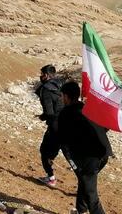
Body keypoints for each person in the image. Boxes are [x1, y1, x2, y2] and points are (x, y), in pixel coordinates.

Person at [58, 81, 112, 214]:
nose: (61, 98)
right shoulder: (88, 108)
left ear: (66, 96)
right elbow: (105, 126)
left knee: (90, 193)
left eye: (61, 96)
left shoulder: (65, 114)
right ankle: (81, 210)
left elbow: (62, 140)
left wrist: (72, 162)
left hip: (90, 158)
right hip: (103, 153)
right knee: (84, 182)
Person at [35, 64, 63, 187]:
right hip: (68, 124)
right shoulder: (60, 85)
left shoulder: (46, 89)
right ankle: (84, 188)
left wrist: (42, 117)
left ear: (46, 75)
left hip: (55, 127)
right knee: (72, 158)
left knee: (44, 151)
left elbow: (49, 112)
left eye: (41, 74)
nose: (40, 76)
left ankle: (51, 178)